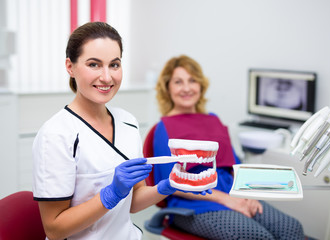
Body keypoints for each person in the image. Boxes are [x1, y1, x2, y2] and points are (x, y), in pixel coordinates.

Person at [32, 22, 210, 240]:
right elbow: (54, 229)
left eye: (114, 65)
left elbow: (133, 201)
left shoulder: (127, 122)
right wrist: (110, 194)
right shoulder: (57, 134)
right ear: (70, 66)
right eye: (94, 65)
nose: (107, 77)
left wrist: (168, 186)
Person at [145, 54, 305, 240]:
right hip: (194, 204)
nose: (187, 88)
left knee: (291, 229)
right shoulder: (164, 127)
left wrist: (248, 195)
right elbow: (173, 184)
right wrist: (226, 199)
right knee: (256, 237)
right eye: (178, 82)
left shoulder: (213, 119)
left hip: (235, 194)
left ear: (201, 86)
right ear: (167, 88)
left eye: (192, 81)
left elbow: (236, 167)